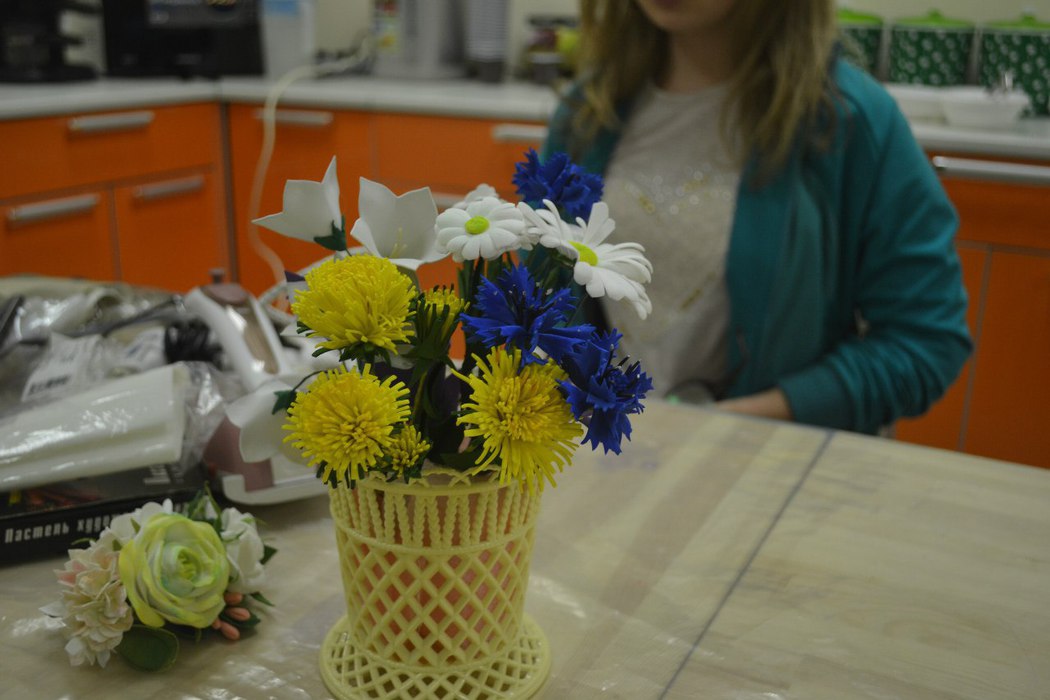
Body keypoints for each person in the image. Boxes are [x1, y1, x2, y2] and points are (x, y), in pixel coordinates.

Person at [541, 0, 972, 435]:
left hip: (766, 460)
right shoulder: (587, 113)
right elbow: (539, 305)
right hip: (599, 456)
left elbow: (924, 343)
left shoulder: (849, 119)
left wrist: (737, 424)